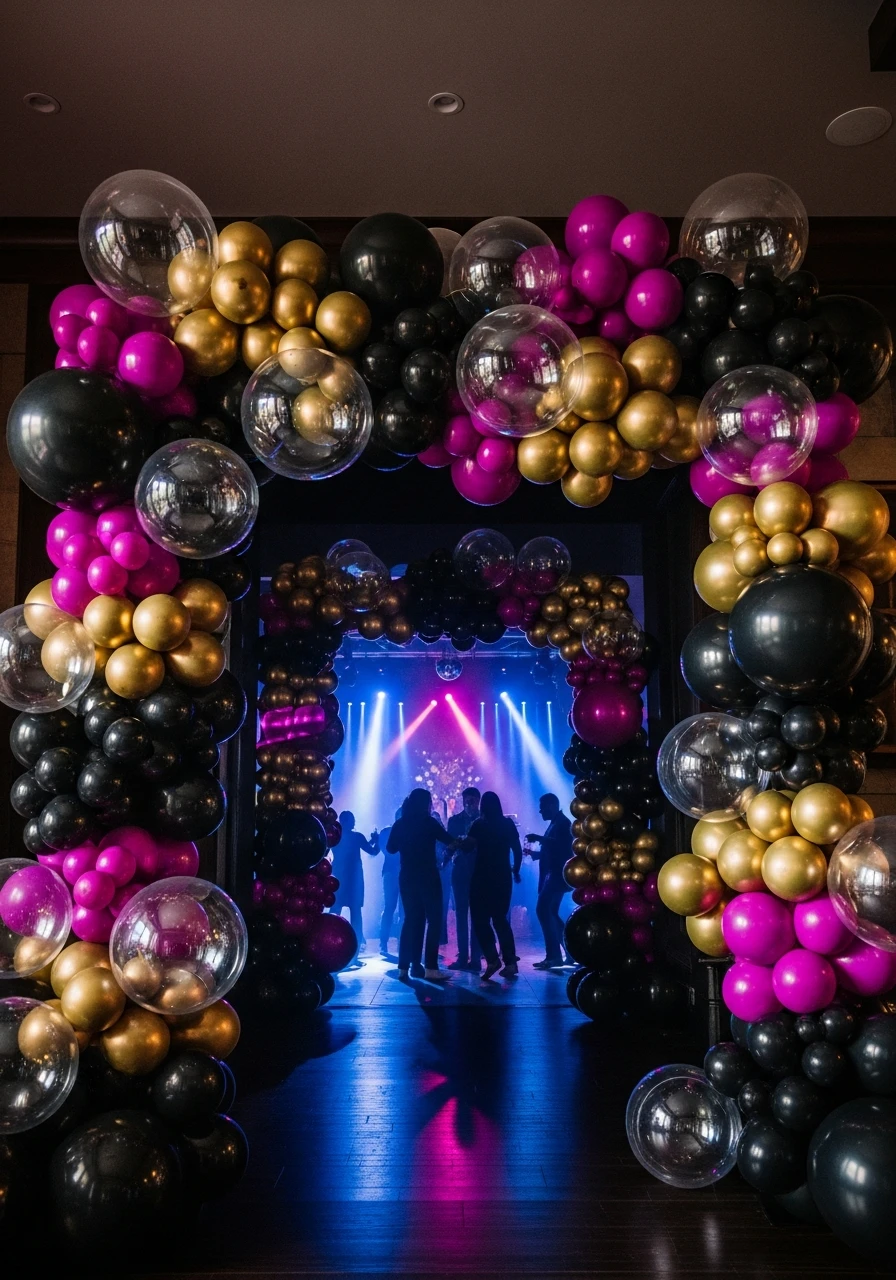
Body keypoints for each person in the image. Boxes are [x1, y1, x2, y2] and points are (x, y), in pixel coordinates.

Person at [387, 788, 455, 982]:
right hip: (428, 876)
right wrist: (464, 842)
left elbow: (391, 849)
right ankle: (431, 967)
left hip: (407, 876)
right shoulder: (429, 823)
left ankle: (405, 967)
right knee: (433, 921)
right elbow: (449, 840)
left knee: (411, 921)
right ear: (426, 804)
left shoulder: (400, 824)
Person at [464, 791, 522, 981]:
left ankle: (492, 959)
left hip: (482, 878)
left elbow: (468, 847)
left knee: (480, 920)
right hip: (502, 877)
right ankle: (511, 963)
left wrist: (457, 842)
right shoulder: (507, 824)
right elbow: (517, 849)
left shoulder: (479, 824)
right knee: (500, 920)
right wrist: (516, 870)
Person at [526, 793, 572, 969]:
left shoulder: (562, 823)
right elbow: (553, 849)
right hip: (553, 875)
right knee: (551, 912)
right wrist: (536, 854)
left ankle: (553, 956)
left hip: (556, 876)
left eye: (542, 806)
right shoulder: (556, 823)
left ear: (552, 805)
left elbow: (561, 846)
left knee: (543, 910)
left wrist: (538, 838)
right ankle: (568, 951)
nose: (539, 810)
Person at [446, 786, 483, 971]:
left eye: (472, 801)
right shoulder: (454, 821)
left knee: (476, 914)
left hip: (478, 871)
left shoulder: (484, 820)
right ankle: (463, 957)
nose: (469, 804)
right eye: (466, 801)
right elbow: (449, 843)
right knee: (461, 914)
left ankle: (475, 958)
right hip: (460, 871)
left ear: (478, 801)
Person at [331, 811, 378, 950]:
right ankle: (356, 944)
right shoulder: (357, 836)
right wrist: (377, 841)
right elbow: (373, 851)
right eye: (352, 819)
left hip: (338, 877)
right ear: (347, 821)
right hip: (354, 878)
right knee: (356, 911)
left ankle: (329, 936)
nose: (354, 822)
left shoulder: (335, 836)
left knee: (335, 908)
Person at [377, 808, 404, 959]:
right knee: (391, 908)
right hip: (392, 873)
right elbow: (387, 851)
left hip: (400, 872)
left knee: (399, 909)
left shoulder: (386, 832)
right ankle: (384, 942)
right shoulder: (387, 831)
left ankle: (398, 943)